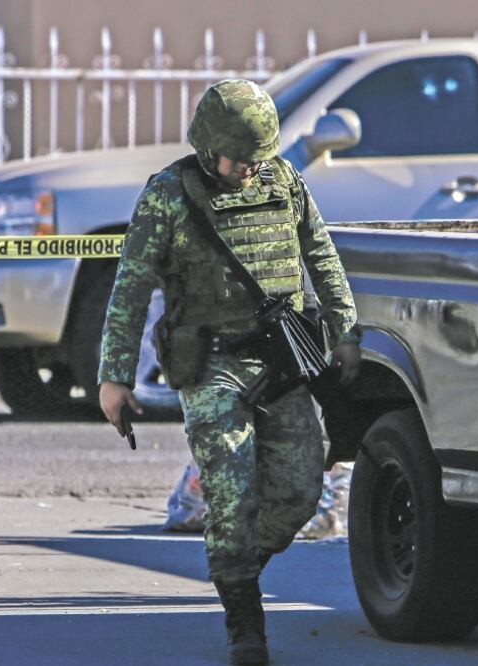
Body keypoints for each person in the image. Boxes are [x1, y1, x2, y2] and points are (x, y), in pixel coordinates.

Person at [97, 79, 361, 665]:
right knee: (230, 490)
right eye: (236, 158)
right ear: (208, 144)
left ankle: (236, 564)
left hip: (282, 360)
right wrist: (114, 376)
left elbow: (320, 252)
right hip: (211, 364)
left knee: (299, 493)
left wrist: (343, 330)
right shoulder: (167, 194)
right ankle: (245, 619)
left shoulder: (284, 181)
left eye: (254, 159)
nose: (245, 170)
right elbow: (131, 287)